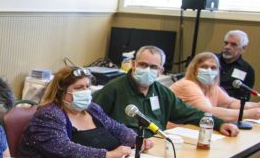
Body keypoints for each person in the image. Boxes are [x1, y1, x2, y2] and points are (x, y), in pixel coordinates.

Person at [19, 67, 154, 158]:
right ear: (61, 92)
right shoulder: (49, 115)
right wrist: (107, 155)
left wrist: (136, 140)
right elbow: (64, 150)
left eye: (87, 87)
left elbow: (116, 128)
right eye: (79, 88)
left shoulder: (92, 109)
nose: (85, 91)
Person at [93, 45, 239, 138]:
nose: (147, 70)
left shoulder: (161, 92)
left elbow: (189, 113)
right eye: (143, 65)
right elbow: (93, 122)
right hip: (125, 147)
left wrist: (219, 124)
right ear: (134, 64)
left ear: (160, 71)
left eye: (153, 67)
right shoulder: (114, 89)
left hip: (157, 145)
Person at [170, 52, 260, 122]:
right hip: (176, 131)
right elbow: (208, 112)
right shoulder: (187, 85)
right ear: (194, 69)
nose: (209, 71)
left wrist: (256, 106)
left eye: (213, 68)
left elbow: (230, 103)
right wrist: (249, 114)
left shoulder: (211, 86)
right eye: (204, 67)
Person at [217, 30, 255, 100]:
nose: (227, 47)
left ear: (243, 48)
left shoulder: (247, 70)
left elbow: (245, 98)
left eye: (233, 44)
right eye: (226, 43)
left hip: (229, 107)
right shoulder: (209, 60)